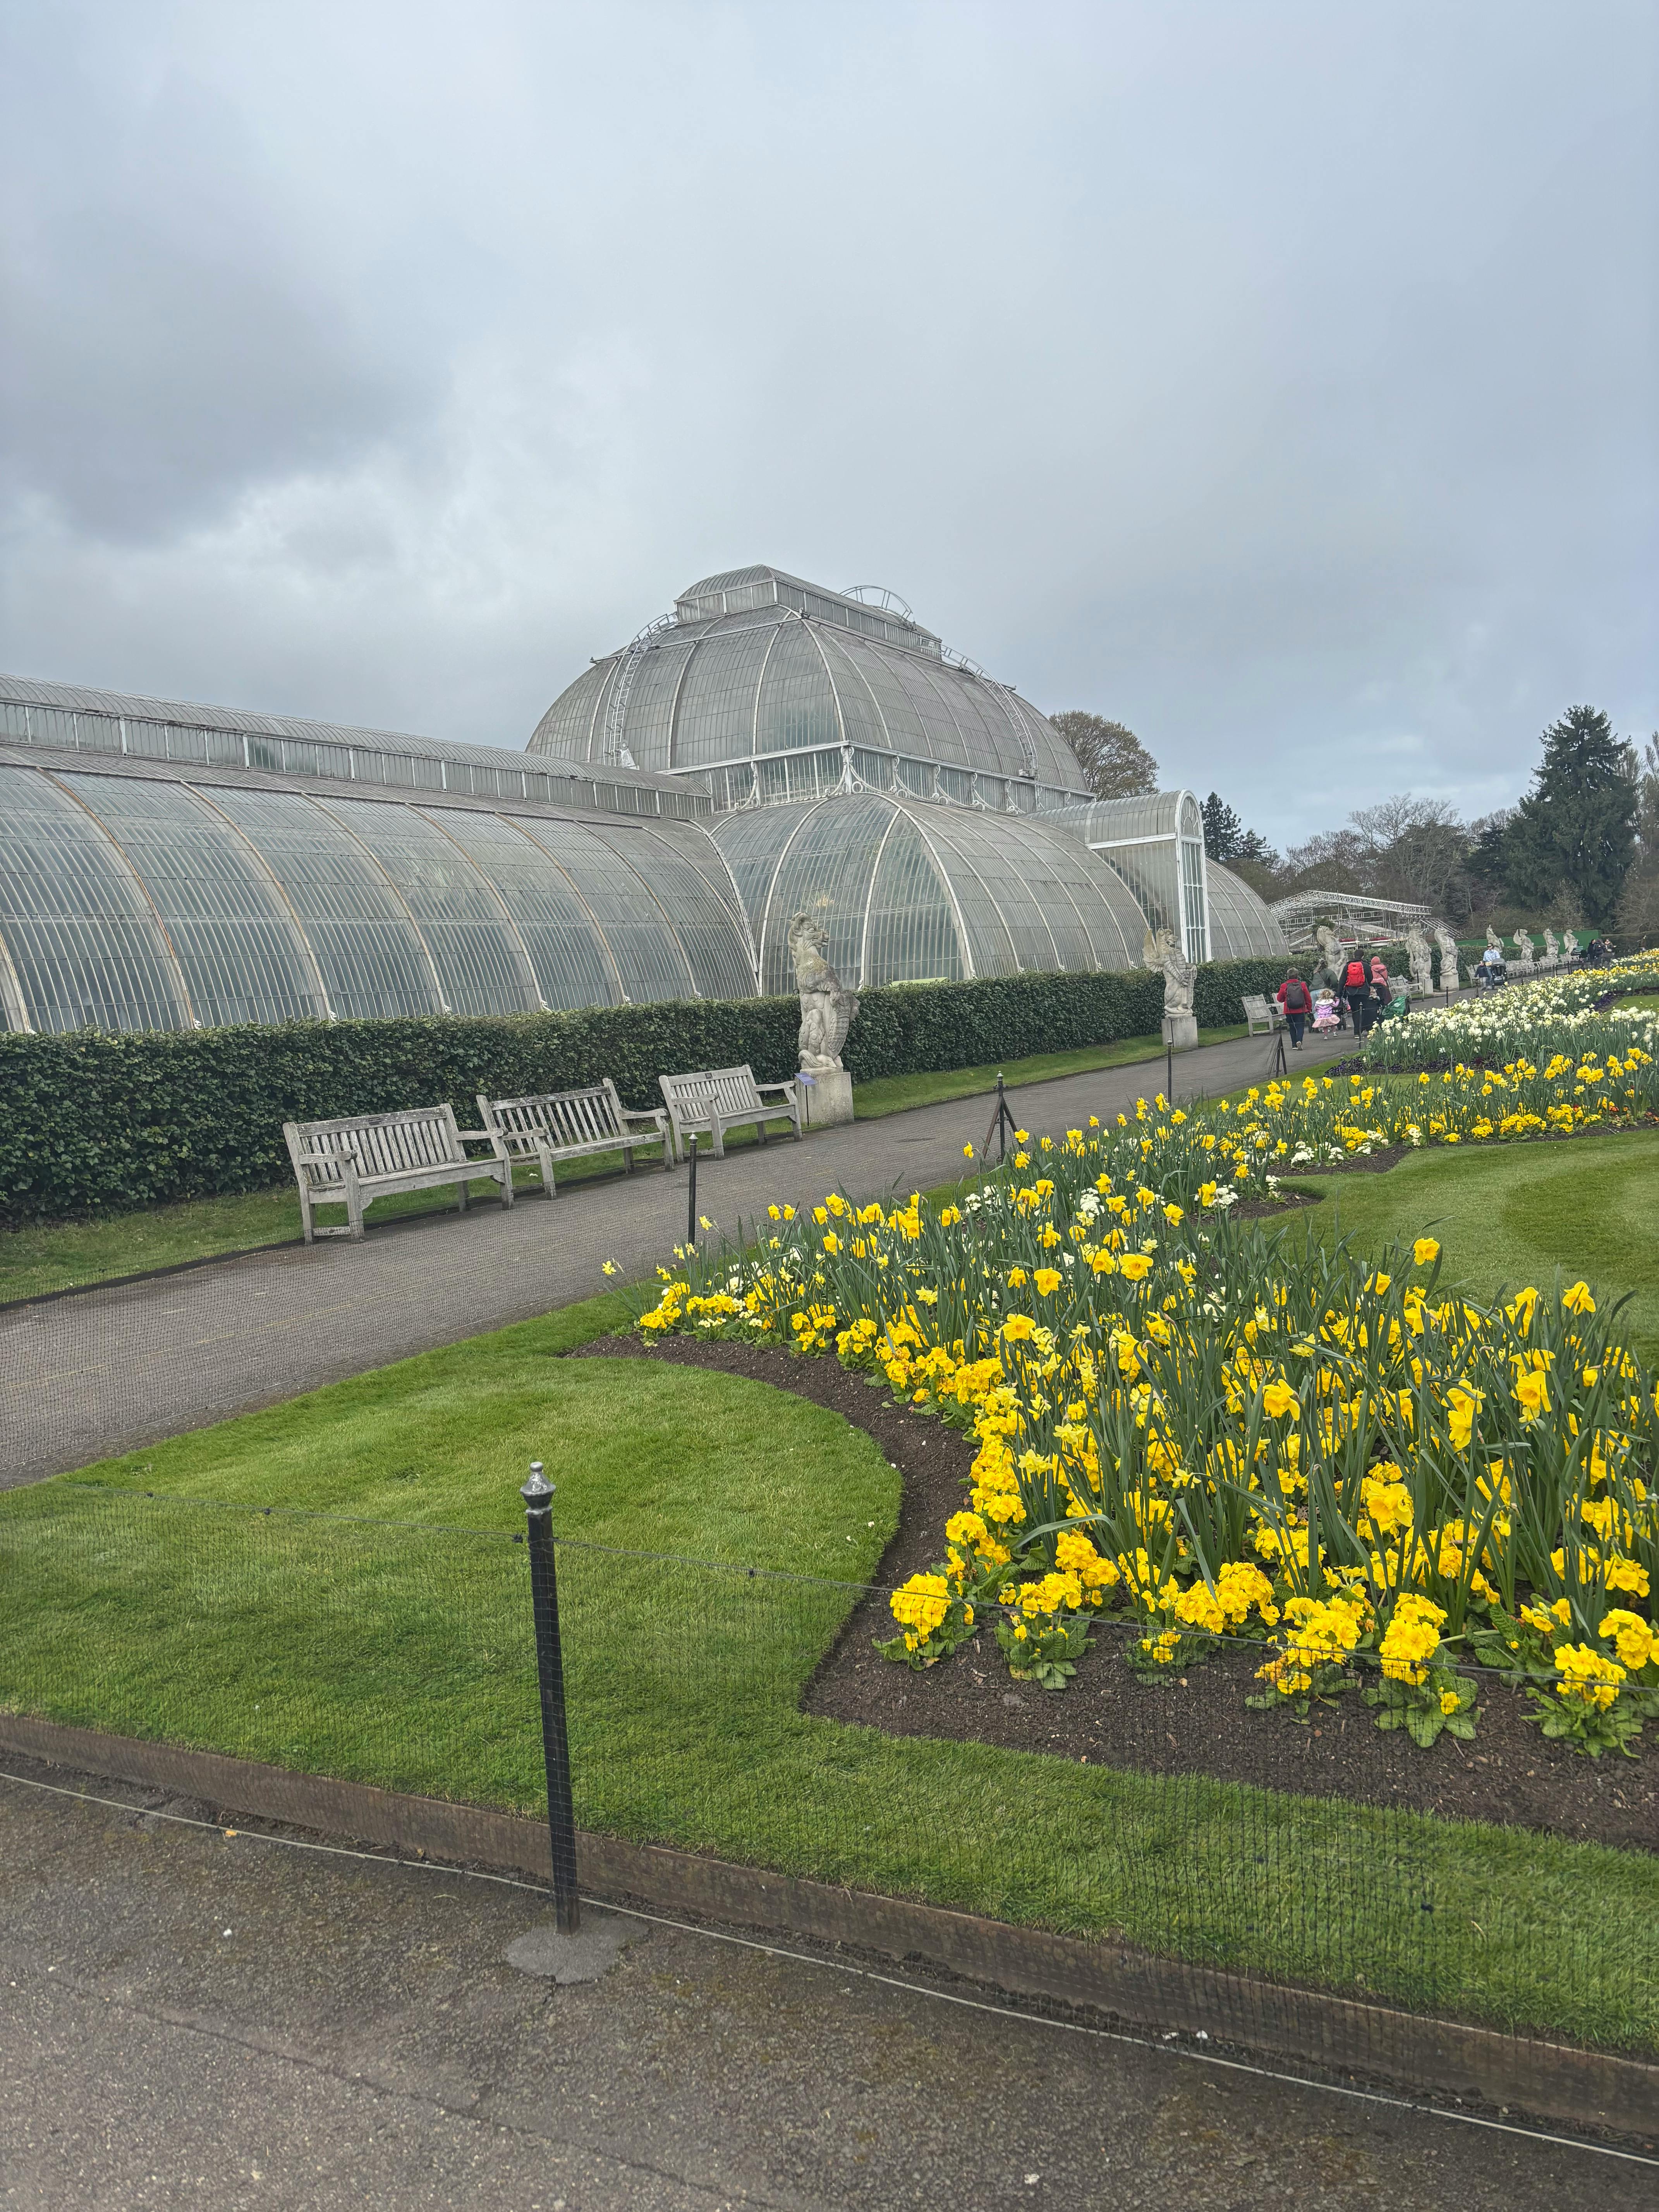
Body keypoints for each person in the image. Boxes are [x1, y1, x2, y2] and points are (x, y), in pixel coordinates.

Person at [1276, 967, 1313, 1048]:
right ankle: (1299, 1041)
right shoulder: (1302, 985)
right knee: (1300, 1027)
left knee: (1292, 1027)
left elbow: (1279, 999)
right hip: (1301, 1010)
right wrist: (1309, 1009)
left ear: (1288, 976)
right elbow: (1308, 998)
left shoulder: (1284, 986)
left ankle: (1294, 1045)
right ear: (1297, 976)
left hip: (1289, 1011)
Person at [1342, 947, 1372, 1034]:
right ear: (1363, 957)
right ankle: (1366, 1028)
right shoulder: (1366, 966)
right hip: (1364, 992)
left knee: (1355, 1012)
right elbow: (1371, 979)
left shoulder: (1348, 966)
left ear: (1354, 956)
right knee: (1365, 1010)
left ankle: (1357, 1032)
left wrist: (1339, 994)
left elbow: (1342, 981)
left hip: (1351, 993)